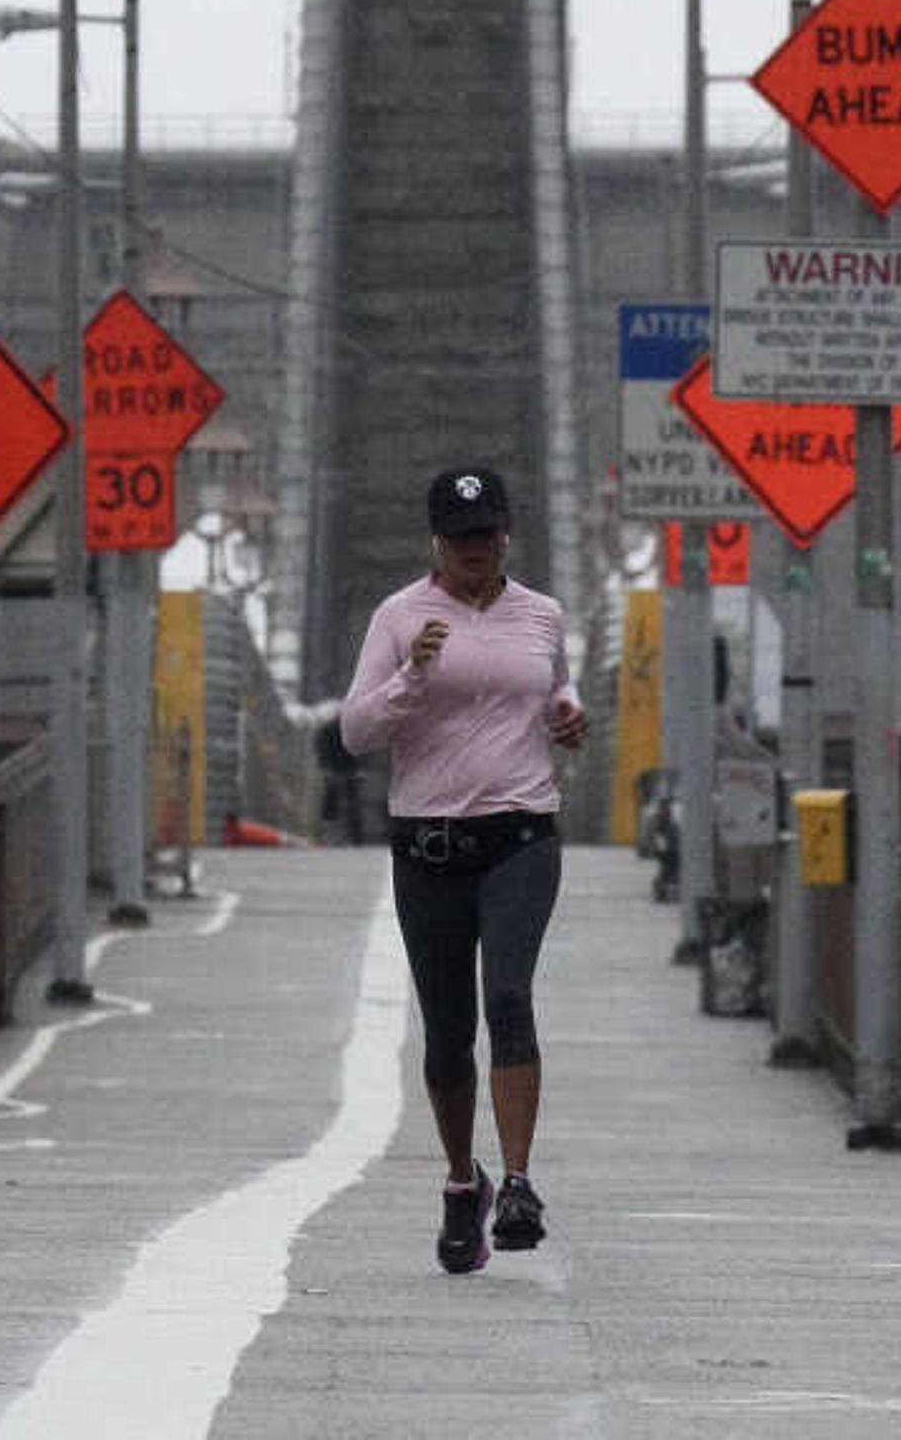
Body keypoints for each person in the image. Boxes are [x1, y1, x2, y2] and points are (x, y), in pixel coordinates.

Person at [336, 463, 587, 1274]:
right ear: (436, 541)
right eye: (461, 538)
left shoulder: (541, 615)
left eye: (488, 535)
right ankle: (459, 1181)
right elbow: (354, 731)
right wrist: (412, 678)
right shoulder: (401, 616)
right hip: (431, 845)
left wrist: (567, 715)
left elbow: (552, 693)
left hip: (519, 835)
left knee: (508, 998)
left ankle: (517, 1182)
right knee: (447, 1035)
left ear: (506, 533)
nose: (477, 550)